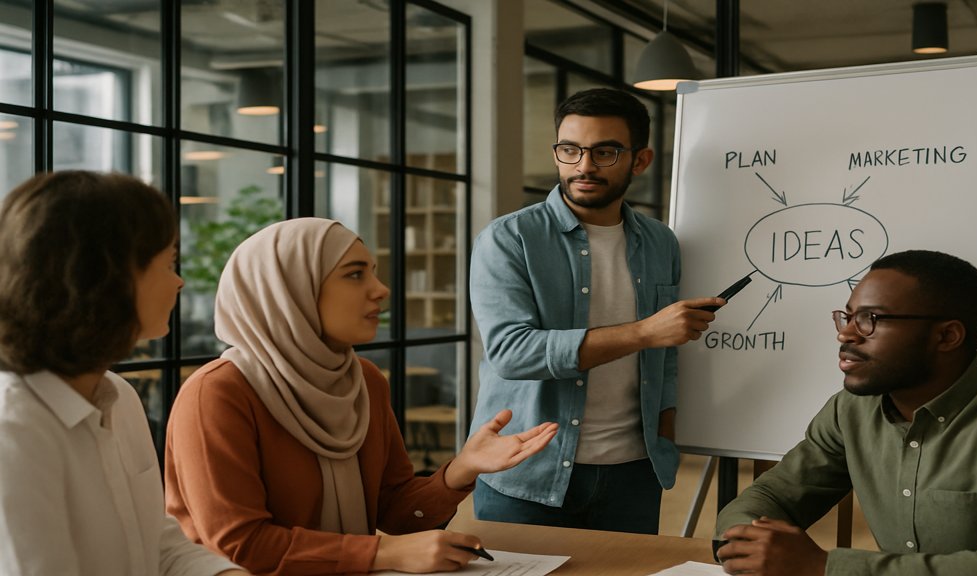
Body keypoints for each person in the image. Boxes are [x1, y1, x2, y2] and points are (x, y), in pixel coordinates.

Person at [164, 217, 559, 575]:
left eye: (373, 273)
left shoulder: (364, 380)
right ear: (290, 291)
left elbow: (394, 512)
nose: (380, 290)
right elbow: (241, 545)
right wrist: (383, 554)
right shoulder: (218, 393)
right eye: (355, 275)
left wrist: (463, 468)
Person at [468, 87, 724, 534]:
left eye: (604, 152)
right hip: (528, 473)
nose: (583, 166)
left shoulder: (661, 242)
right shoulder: (509, 238)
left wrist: (663, 432)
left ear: (639, 161)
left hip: (633, 473)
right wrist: (644, 332)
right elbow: (511, 353)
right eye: (570, 150)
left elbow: (667, 357)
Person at [715, 249, 977, 576]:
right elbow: (771, 496)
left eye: (871, 319)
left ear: (947, 336)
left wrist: (823, 567)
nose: (845, 334)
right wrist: (746, 539)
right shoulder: (851, 410)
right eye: (848, 317)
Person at [0, 171, 246, 576]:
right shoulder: (16, 429)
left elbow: (157, 545)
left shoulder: (117, 396)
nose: (179, 281)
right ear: (103, 276)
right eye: (167, 263)